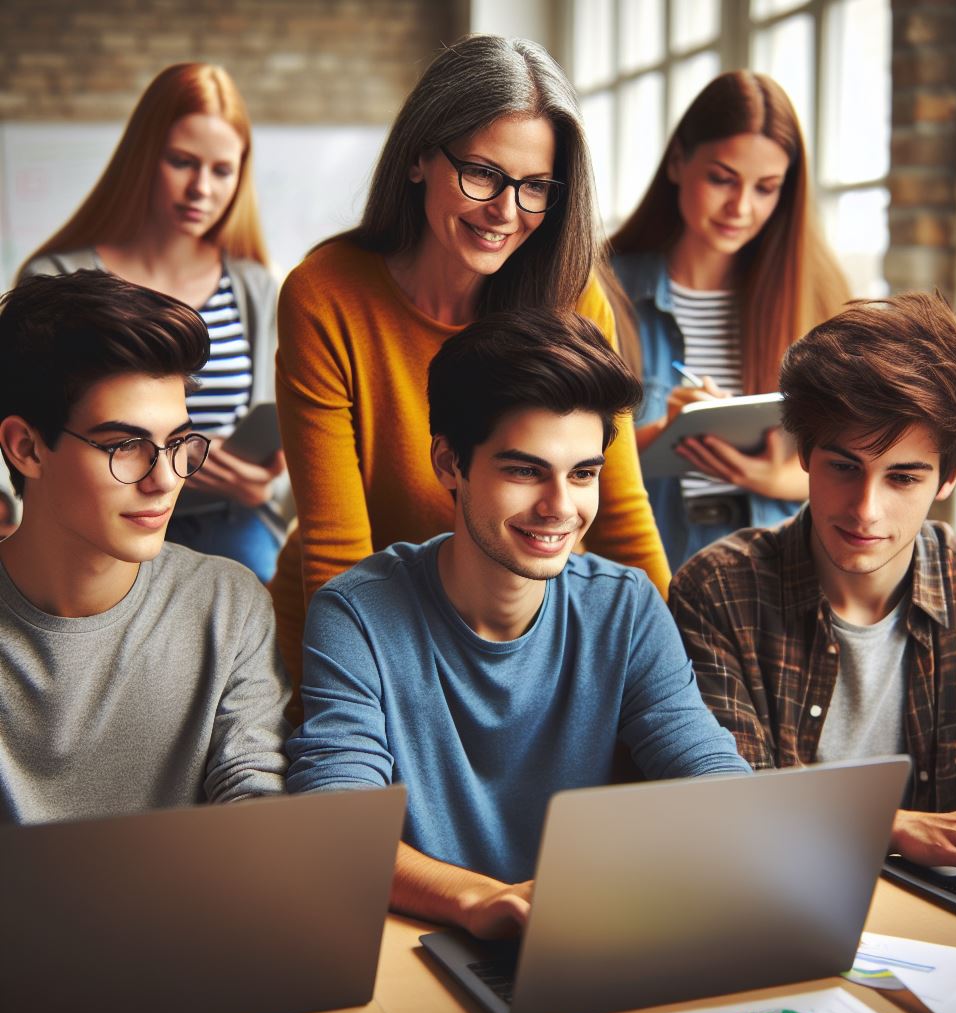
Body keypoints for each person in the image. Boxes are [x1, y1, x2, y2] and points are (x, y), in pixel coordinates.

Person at [286, 309, 749, 939]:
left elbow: (708, 769)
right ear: (449, 464)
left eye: (583, 473)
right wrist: (478, 901)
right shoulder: (356, 613)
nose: (560, 507)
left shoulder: (627, 606)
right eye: (525, 470)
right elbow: (336, 826)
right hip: (416, 942)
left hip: (582, 937)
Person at [270, 34, 670, 708]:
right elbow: (340, 554)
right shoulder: (326, 293)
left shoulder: (574, 296)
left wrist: (677, 678)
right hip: (358, 636)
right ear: (421, 156)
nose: (506, 213)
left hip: (511, 644)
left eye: (536, 187)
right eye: (482, 174)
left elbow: (623, 518)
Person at [670, 291, 956, 887]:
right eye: (844, 466)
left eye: (903, 477)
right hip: (776, 904)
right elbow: (726, 804)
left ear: (948, 478)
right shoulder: (720, 589)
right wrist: (891, 825)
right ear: (804, 455)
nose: (866, 509)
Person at [0, 270, 290, 824]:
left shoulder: (227, 603)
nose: (165, 479)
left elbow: (256, 801)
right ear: (26, 448)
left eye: (178, 443)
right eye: (126, 446)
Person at [18, 62, 286, 582]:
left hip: (229, 530)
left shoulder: (255, 287)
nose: (201, 189)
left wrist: (264, 485)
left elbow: (283, 443)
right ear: (143, 158)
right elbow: (34, 433)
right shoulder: (55, 278)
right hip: (93, 527)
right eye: (182, 162)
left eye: (221, 170)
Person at [610, 70, 850, 570]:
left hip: (781, 565)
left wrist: (768, 477)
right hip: (650, 559)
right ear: (678, 161)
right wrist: (666, 433)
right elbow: (555, 455)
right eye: (722, 179)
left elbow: (864, 459)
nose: (741, 208)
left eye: (766, 188)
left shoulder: (817, 296)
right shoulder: (605, 291)